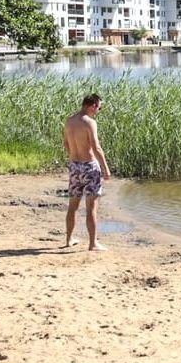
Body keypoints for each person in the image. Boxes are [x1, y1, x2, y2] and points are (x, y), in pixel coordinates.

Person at [63, 93, 111, 251]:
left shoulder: (69, 121)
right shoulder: (90, 122)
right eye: (99, 107)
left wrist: (73, 159)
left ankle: (69, 240)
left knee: (73, 205)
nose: (99, 110)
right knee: (91, 206)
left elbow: (66, 143)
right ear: (92, 105)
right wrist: (105, 168)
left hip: (74, 166)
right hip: (89, 166)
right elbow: (96, 147)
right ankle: (93, 243)